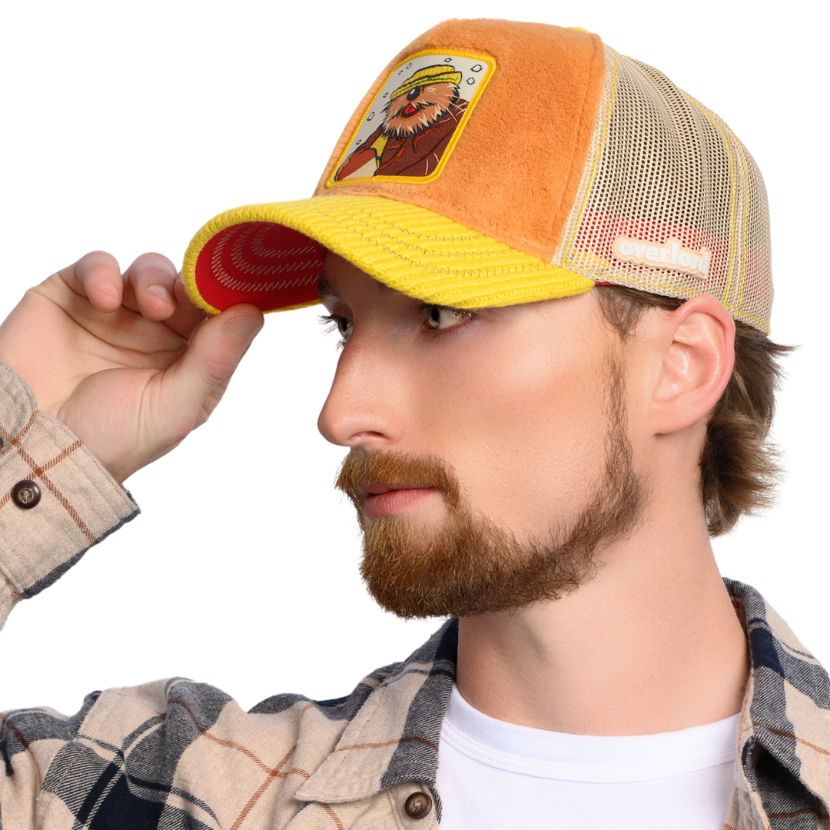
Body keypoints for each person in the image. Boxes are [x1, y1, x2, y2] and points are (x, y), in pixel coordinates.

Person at [0, 17, 826, 830]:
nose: (340, 413)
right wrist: (26, 446)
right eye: (343, 322)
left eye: (440, 312)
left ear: (680, 366)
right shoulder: (177, 794)